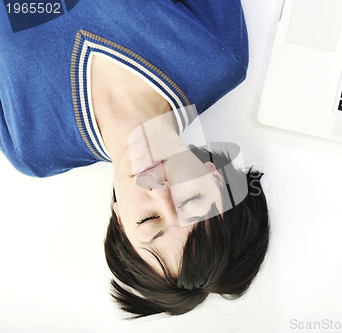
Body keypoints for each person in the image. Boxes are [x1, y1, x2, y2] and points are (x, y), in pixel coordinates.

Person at [0, 0, 270, 317]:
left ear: (120, 220)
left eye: (148, 220)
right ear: (215, 177)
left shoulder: (31, 146)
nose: (159, 192)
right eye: (191, 200)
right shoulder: (216, 52)